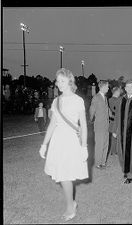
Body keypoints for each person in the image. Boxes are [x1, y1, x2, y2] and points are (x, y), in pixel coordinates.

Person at [39, 68, 88, 222]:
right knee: (61, 175)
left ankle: (70, 207)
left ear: (69, 81)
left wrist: (84, 146)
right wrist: (44, 144)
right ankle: (71, 202)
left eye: (62, 81)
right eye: (57, 81)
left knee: (66, 176)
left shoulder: (78, 100)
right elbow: (53, 124)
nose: (59, 84)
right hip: (58, 141)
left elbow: (84, 126)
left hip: (71, 141)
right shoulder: (56, 101)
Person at [89, 80, 110, 169]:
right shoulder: (96, 97)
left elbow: (108, 110)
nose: (108, 88)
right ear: (102, 87)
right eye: (107, 86)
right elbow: (91, 110)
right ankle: (98, 163)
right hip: (99, 125)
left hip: (106, 124)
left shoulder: (105, 98)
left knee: (105, 144)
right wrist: (90, 119)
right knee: (99, 144)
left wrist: (115, 117)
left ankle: (103, 162)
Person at [108, 86, 122, 155]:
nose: (120, 93)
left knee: (114, 135)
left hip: (112, 119)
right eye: (119, 91)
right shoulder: (115, 100)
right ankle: (115, 151)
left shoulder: (110, 99)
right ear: (116, 92)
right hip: (116, 119)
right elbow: (116, 109)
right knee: (115, 135)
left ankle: (113, 150)